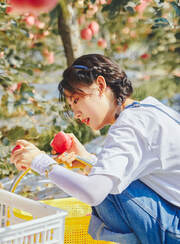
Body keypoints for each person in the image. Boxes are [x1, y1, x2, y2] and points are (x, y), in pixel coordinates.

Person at [10, 54, 180, 244]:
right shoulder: (147, 108)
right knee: (107, 180)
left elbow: (94, 193)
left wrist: (40, 162)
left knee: (106, 192)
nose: (75, 113)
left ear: (100, 85)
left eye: (76, 100)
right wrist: (87, 160)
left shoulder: (129, 126)